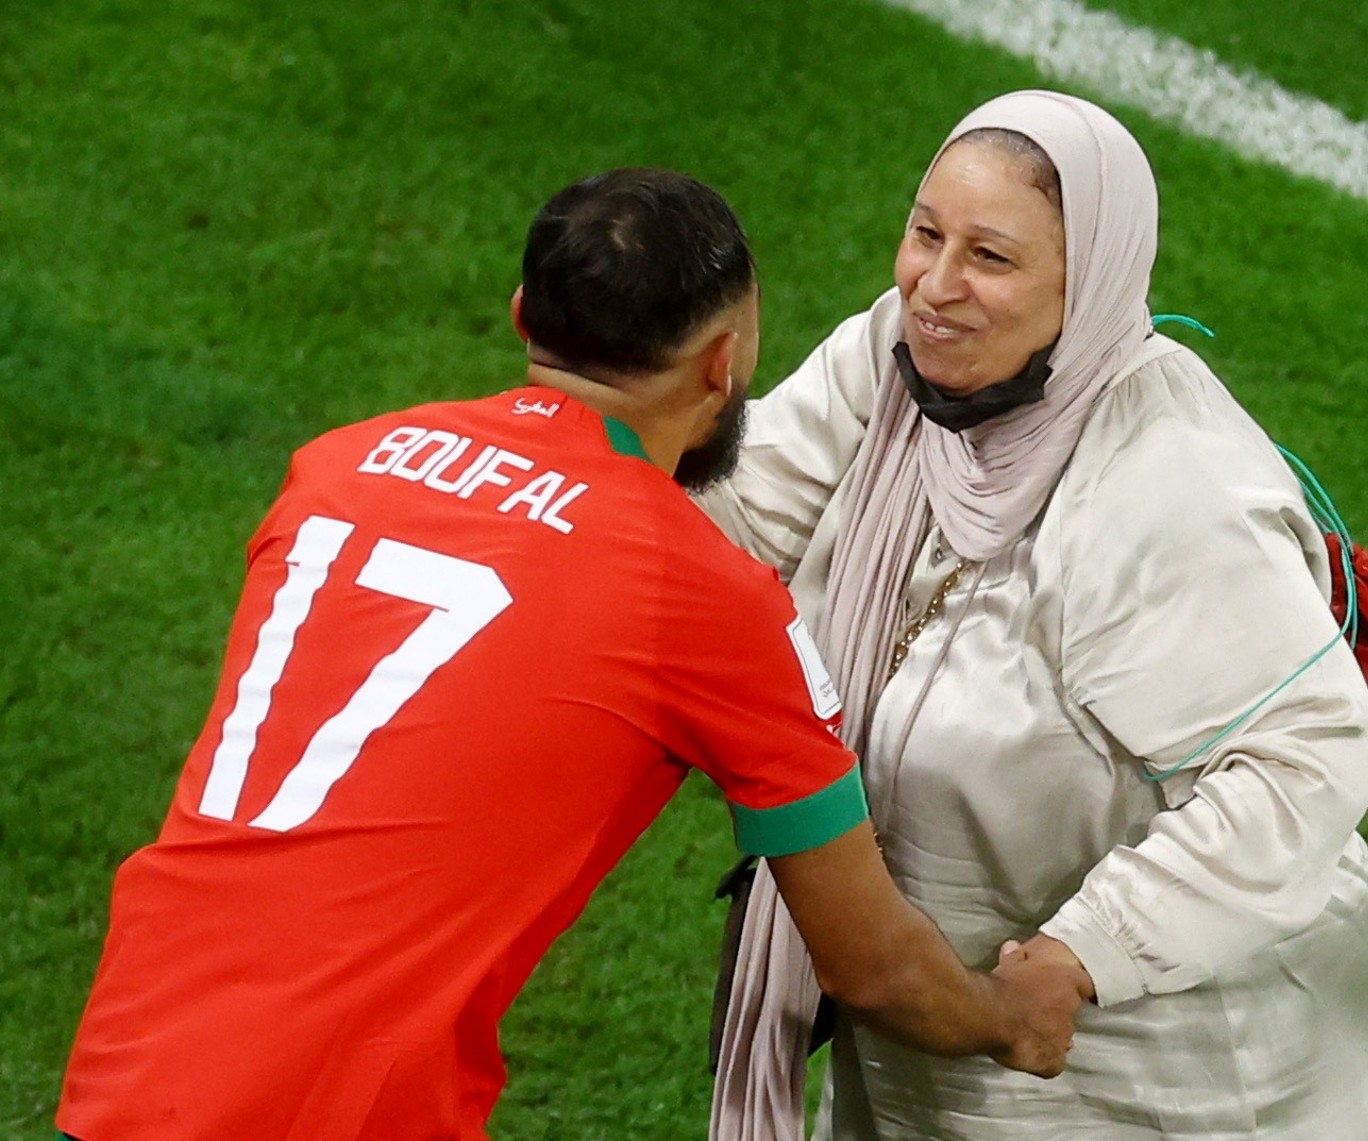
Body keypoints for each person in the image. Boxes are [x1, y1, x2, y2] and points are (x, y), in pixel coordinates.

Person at [54, 168, 1093, 1141]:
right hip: (332, 1101)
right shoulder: (699, 592)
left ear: (523, 316)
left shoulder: (334, 466)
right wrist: (1012, 1018)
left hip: (136, 1052)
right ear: (721, 363)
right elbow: (871, 968)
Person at [704, 92, 1368, 1140]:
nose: (935, 286)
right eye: (924, 233)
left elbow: (1301, 762)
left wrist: (1085, 954)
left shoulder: (1167, 488)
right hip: (938, 1027)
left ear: (1092, 284)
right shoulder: (898, 363)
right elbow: (737, 519)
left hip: (1158, 1065)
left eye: (989, 257)